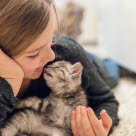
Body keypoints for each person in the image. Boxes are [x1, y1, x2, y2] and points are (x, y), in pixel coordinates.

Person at [0, 0, 132, 135]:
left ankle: (113, 63)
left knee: (110, 73)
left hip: (75, 64)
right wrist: (12, 79)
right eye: (34, 54)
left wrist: (96, 126)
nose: (50, 57)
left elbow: (106, 100)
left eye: (51, 39)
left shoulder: (65, 53)